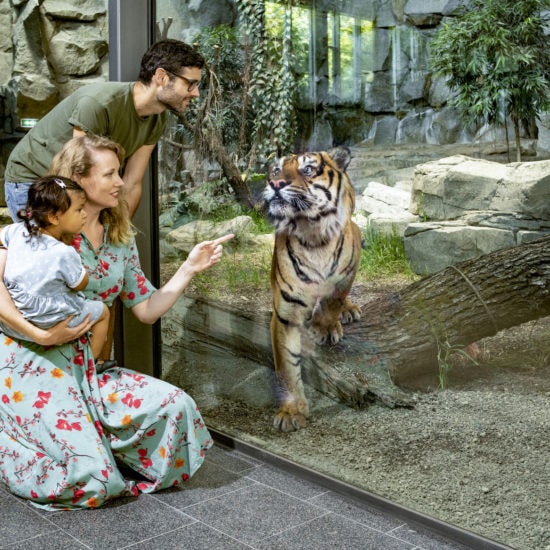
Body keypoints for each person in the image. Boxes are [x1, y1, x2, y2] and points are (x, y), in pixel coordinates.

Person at [0, 134, 234, 510]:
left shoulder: (120, 237)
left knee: (177, 406)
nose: (121, 183)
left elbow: (145, 308)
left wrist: (189, 268)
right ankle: (79, 447)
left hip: (90, 369)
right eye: (110, 174)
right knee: (94, 480)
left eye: (120, 173)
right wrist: (41, 334)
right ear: (80, 177)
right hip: (33, 367)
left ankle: (91, 439)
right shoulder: (35, 234)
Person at [4, 39, 205, 220]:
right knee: (52, 255)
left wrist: (120, 233)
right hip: (34, 179)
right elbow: (76, 175)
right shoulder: (99, 103)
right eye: (190, 84)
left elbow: (132, 183)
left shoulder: (158, 116)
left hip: (74, 184)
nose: (195, 93)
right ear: (161, 77)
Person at [0, 176, 109, 360]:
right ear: (53, 217)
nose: (84, 215)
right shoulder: (63, 253)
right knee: (103, 312)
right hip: (49, 321)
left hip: (13, 322)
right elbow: (80, 284)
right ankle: (91, 364)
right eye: (79, 210)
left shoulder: (17, 231)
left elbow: (3, 237)